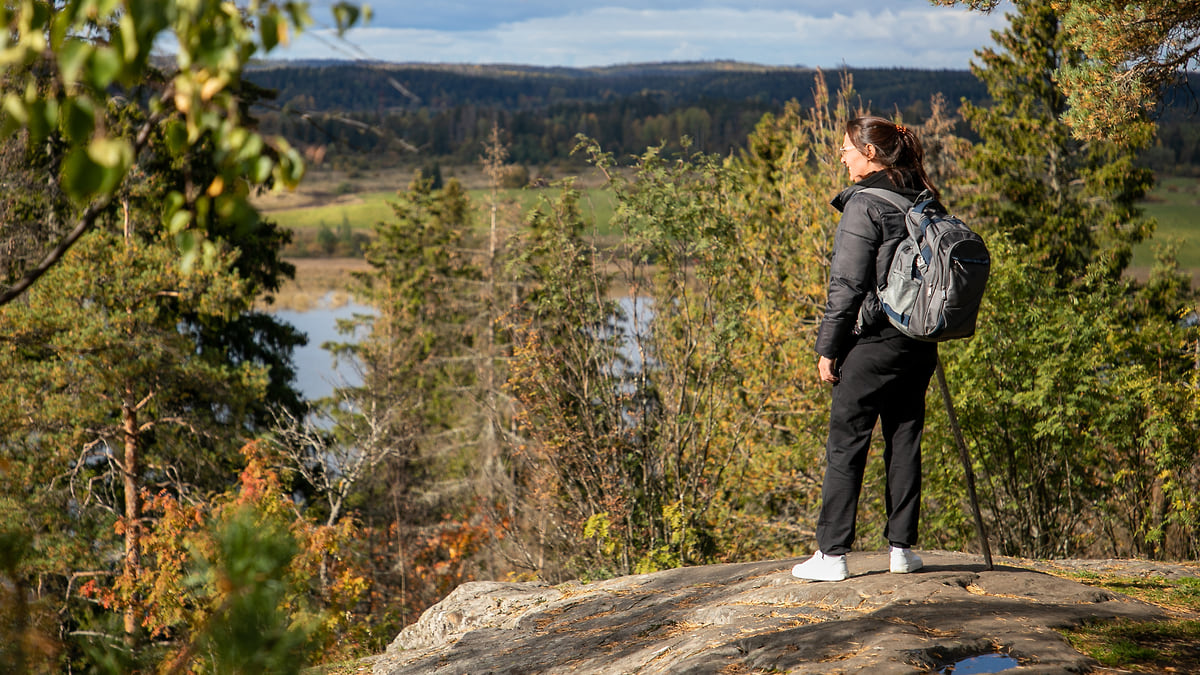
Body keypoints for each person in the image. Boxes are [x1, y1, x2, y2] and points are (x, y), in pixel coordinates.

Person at [791, 116, 940, 582]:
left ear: (870, 153)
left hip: (871, 341)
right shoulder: (922, 196)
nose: (841, 156)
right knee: (904, 439)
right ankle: (901, 550)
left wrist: (827, 349)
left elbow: (847, 285)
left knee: (847, 443)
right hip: (917, 340)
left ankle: (832, 555)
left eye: (846, 149)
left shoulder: (865, 205)